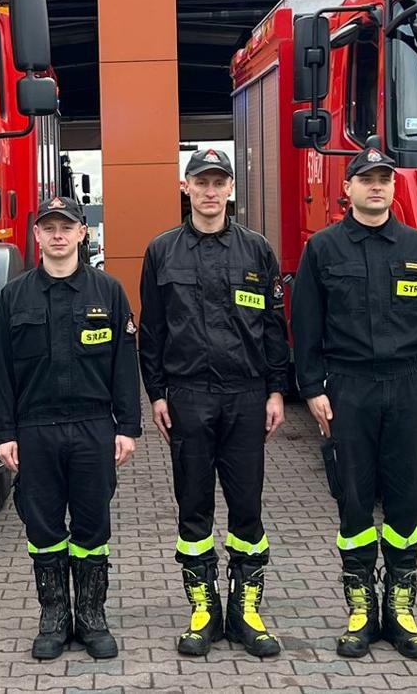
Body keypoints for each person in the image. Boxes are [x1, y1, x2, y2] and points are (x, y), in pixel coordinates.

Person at [291, 149, 417, 661]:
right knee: (355, 502)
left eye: (384, 179)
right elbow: (307, 326)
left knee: (406, 501)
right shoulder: (323, 249)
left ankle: (401, 612)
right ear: (349, 190)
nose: (377, 187)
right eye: (367, 180)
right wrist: (314, 389)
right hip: (349, 387)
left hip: (408, 385)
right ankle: (361, 613)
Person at [137, 148, 290, 658]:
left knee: (247, 509)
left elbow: (273, 328)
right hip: (188, 397)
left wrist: (275, 389)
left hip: (246, 396)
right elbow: (152, 332)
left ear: (230, 189)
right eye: (200, 182)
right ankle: (204, 612)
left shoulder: (257, 251)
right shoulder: (162, 251)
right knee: (194, 509)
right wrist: (156, 394)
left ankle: (247, 612)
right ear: (185, 188)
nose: (209, 191)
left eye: (218, 182)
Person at [0, 196, 141, 661]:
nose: (57, 235)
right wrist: (3, 432)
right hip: (35, 430)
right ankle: (54, 617)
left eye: (66, 227)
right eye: (48, 227)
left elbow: (123, 365)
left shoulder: (108, 292)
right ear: (36, 236)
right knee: (43, 526)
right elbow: (1, 370)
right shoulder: (15, 295)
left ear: (82, 233)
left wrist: (127, 427)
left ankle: (92, 618)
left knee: (93, 525)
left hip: (94, 427)